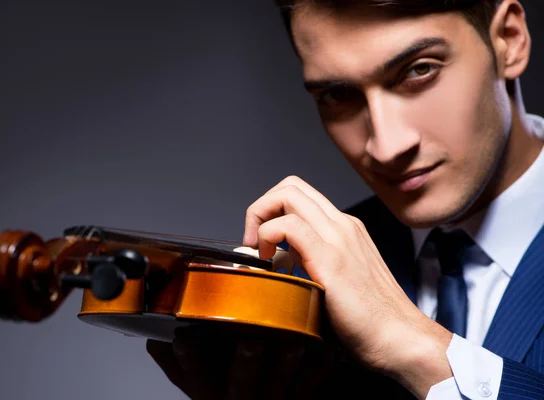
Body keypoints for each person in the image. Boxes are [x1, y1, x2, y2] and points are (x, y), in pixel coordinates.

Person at [146, 0, 544, 398]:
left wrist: (415, 346)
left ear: (510, 39)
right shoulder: (313, 278)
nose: (387, 147)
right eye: (338, 95)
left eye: (420, 70)